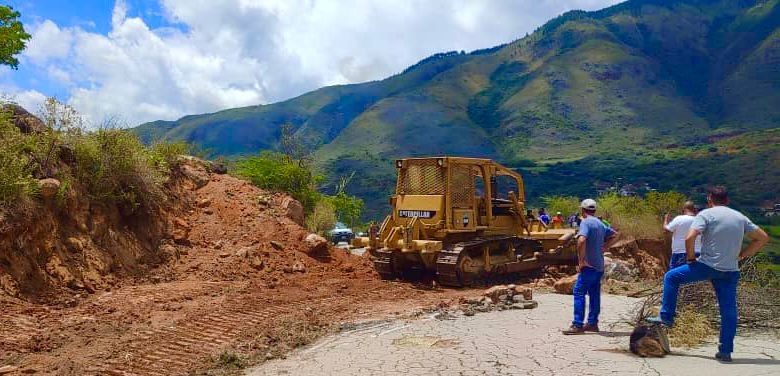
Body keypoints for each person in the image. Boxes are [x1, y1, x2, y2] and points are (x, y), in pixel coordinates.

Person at [647, 186, 769, 362]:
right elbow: (763, 238)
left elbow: (690, 237)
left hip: (707, 265)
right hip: (730, 270)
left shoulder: (706, 215)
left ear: (709, 200)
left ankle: (666, 317)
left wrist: (690, 259)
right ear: (727, 200)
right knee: (728, 310)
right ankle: (725, 351)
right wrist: (743, 254)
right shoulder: (739, 217)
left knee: (671, 277)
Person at [563, 199, 618, 335]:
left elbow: (581, 240)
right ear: (594, 210)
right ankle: (592, 323)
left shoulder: (586, 222)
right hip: (599, 265)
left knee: (579, 292)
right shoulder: (600, 224)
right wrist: (604, 247)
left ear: (582, 210)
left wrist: (581, 260)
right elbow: (615, 235)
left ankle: (577, 325)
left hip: (588, 265)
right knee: (594, 294)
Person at [664, 201, 702, 269]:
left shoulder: (679, 219)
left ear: (684, 209)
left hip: (680, 252)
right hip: (698, 253)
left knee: (675, 276)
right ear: (694, 209)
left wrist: (666, 220)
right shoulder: (700, 221)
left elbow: (666, 230)